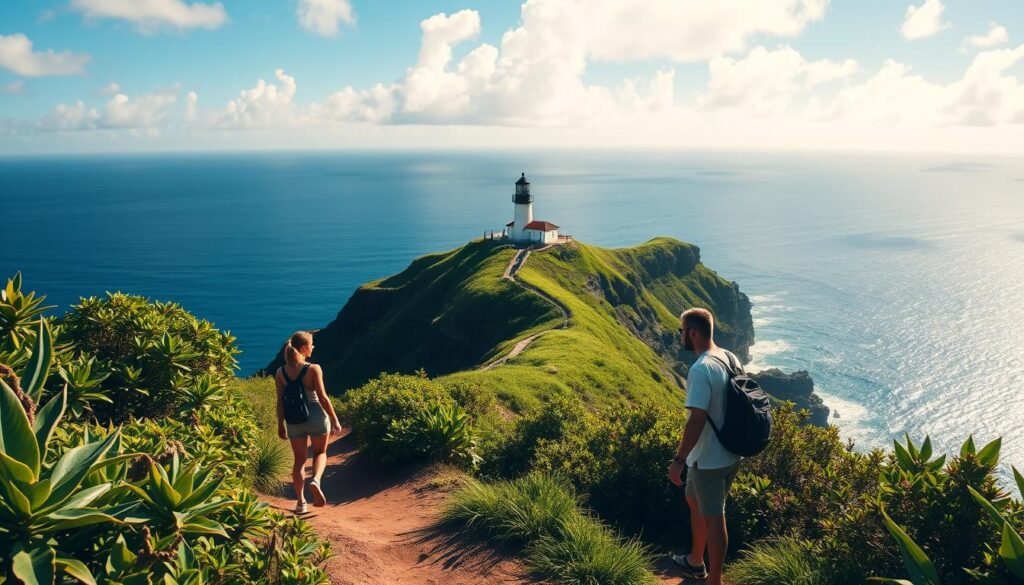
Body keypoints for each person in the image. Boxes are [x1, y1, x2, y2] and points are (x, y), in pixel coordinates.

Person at [667, 308, 742, 585]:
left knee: (714, 517)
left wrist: (679, 459)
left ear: (693, 333)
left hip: (710, 459)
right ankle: (695, 561)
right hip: (729, 452)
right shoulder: (729, 357)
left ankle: (715, 581)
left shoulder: (700, 368)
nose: (681, 336)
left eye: (681, 331)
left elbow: (696, 419)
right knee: (695, 501)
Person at [275, 331, 342, 513]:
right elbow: (323, 398)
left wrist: (280, 425)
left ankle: (301, 502)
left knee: (299, 461)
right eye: (311, 344)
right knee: (320, 452)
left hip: (294, 420)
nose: (313, 347)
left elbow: (280, 401)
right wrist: (335, 419)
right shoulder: (313, 368)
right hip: (316, 416)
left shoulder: (280, 372)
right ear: (304, 348)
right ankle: (316, 480)